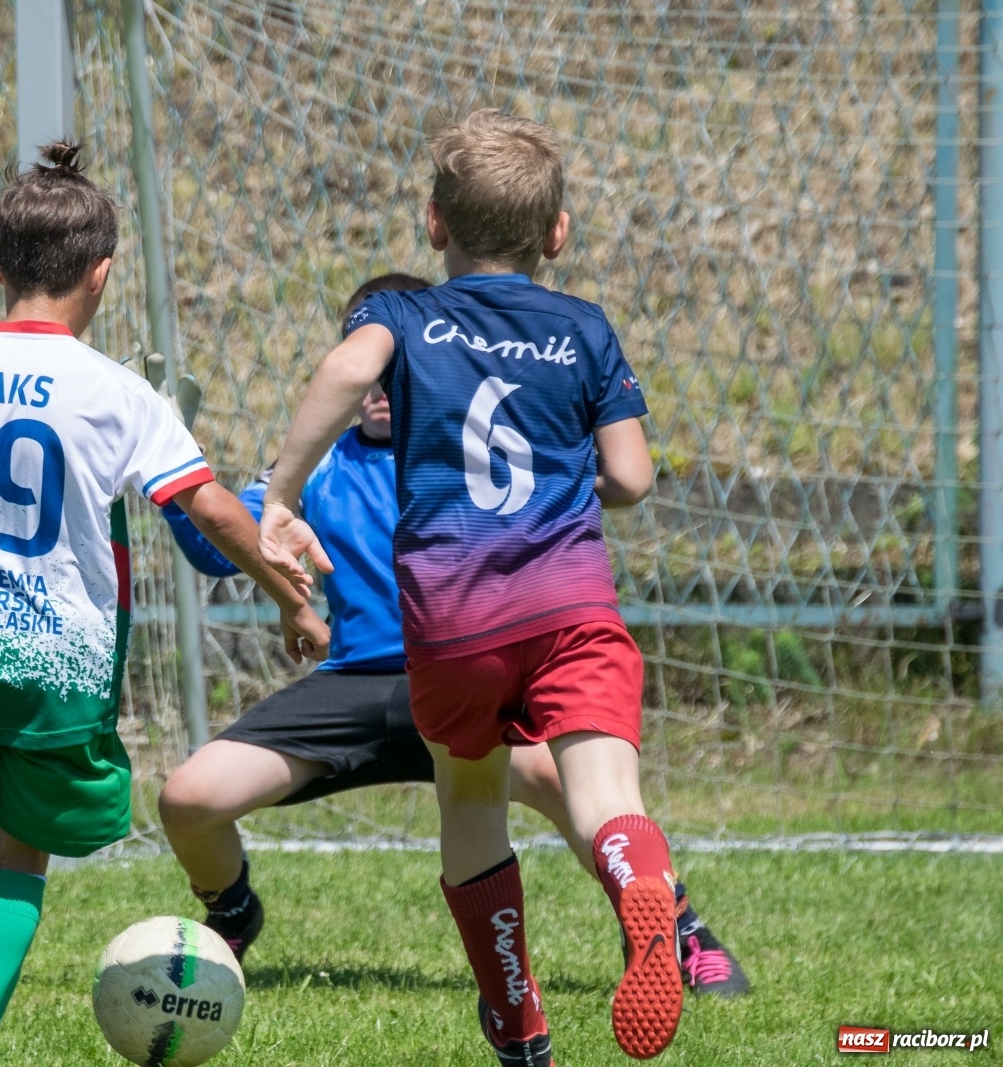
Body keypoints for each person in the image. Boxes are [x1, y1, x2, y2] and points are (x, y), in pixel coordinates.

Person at [0, 141, 328, 1067]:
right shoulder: (119, 396)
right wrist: (291, 598)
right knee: (19, 856)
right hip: (57, 671)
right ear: (103, 274)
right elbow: (210, 509)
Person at [159, 273, 748, 1007]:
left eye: (388, 369)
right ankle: (234, 912)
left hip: (465, 671)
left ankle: (676, 927)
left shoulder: (467, 460)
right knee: (187, 798)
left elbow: (599, 486)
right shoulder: (317, 470)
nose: (375, 385)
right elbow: (224, 546)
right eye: (361, 364)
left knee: (583, 796)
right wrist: (178, 474)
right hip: (354, 687)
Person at [259, 112, 689, 1063]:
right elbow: (632, 478)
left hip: (453, 618)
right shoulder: (583, 327)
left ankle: (515, 1012)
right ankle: (638, 887)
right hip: (571, 604)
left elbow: (344, 370)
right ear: (559, 232)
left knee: (469, 795)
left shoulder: (404, 318)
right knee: (605, 794)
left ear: (434, 224)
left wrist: (283, 493)